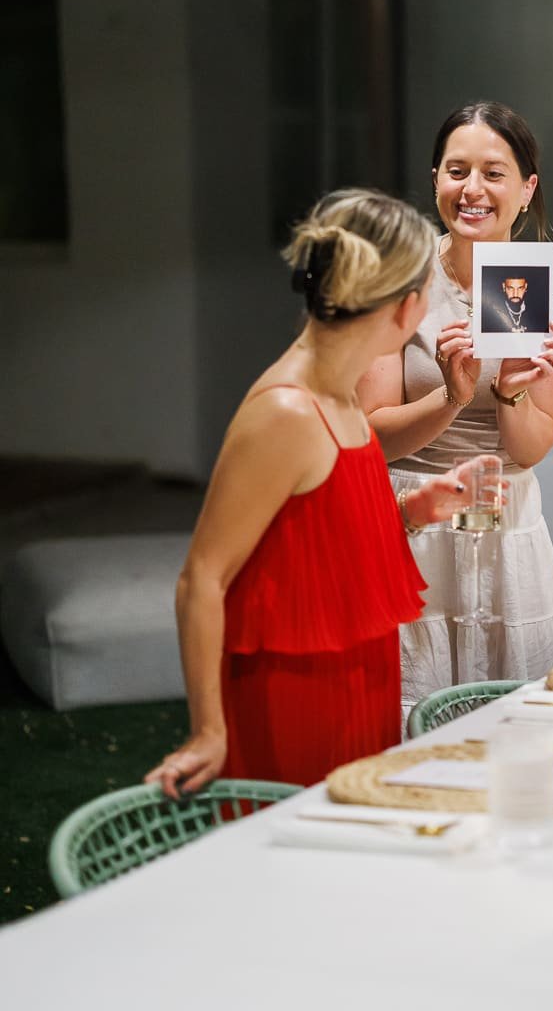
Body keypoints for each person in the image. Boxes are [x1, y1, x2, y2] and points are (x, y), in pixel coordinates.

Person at [146, 189, 484, 798]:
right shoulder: (286, 412)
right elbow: (202, 578)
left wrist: (413, 509)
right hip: (295, 692)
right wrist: (207, 731)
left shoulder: (342, 394)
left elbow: (315, 526)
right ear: (407, 308)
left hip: (356, 673)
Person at [360, 102, 553, 722]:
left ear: (526, 188)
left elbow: (532, 448)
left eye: (494, 172)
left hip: (505, 520)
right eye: (457, 171)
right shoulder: (396, 281)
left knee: (514, 723)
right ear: (436, 178)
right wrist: (452, 397)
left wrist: (511, 390)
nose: (473, 190)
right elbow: (372, 436)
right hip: (413, 514)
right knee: (407, 717)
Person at [479, 269, 552, 337]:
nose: (515, 294)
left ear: (526, 287)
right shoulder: (490, 313)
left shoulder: (538, 314)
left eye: (520, 288)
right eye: (510, 288)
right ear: (504, 287)